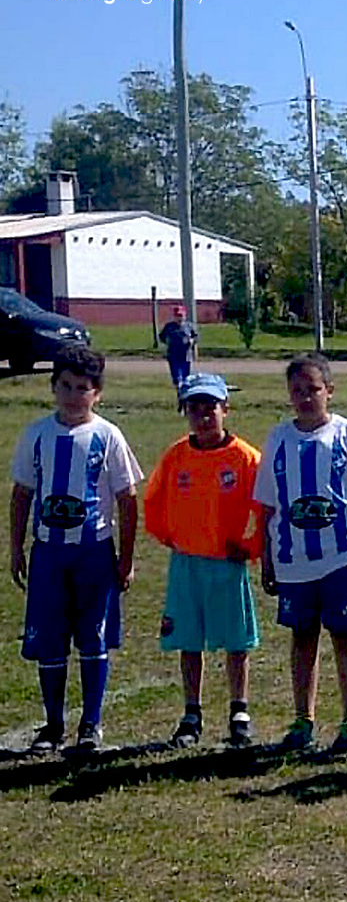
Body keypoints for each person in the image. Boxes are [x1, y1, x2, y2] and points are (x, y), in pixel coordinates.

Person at [10, 345, 142, 756]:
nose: (72, 395)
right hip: (49, 553)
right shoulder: (37, 434)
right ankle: (52, 724)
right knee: (50, 639)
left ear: (97, 393)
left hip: (93, 553)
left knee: (93, 637)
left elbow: (127, 498)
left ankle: (91, 724)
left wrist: (125, 557)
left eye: (82, 388)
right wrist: (16, 549)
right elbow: (22, 494)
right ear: (53, 387)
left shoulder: (107, 436)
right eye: (65, 386)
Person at [255, 353, 347, 754]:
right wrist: (268, 557)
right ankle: (303, 719)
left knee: (344, 636)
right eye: (297, 390)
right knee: (302, 637)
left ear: (330, 390)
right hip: (294, 561)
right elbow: (268, 506)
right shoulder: (278, 439)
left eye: (313, 389)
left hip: (341, 558)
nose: (306, 397)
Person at [144, 373, 264, 750]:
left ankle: (239, 709)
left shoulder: (245, 458)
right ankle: (191, 712)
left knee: (236, 641)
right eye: (193, 408)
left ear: (225, 408)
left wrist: (251, 546)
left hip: (227, 564)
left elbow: (265, 509)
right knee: (188, 640)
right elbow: (153, 499)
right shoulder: (177, 455)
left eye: (210, 407)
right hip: (187, 565)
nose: (202, 416)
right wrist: (168, 536)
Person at [160, 305, 198, 390]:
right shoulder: (169, 326)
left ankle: (186, 392)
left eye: (181, 316)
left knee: (186, 377)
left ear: (184, 316)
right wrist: (167, 342)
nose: (179, 318)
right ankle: (178, 390)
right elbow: (162, 337)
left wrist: (192, 341)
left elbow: (196, 337)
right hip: (173, 354)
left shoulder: (189, 326)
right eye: (177, 316)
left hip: (186, 354)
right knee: (176, 376)